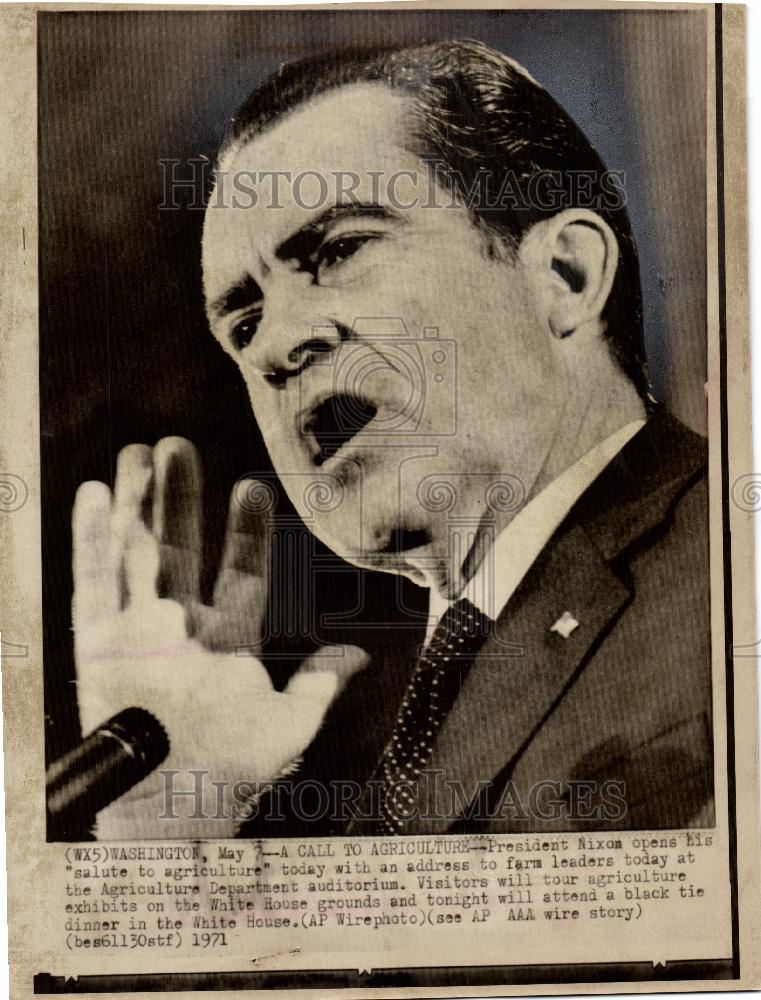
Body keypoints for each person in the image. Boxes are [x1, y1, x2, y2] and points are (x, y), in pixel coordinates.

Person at [71, 40, 712, 838]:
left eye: (338, 249)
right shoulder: (370, 735)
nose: (272, 348)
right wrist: (174, 828)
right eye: (243, 322)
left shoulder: (730, 577)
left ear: (565, 276)